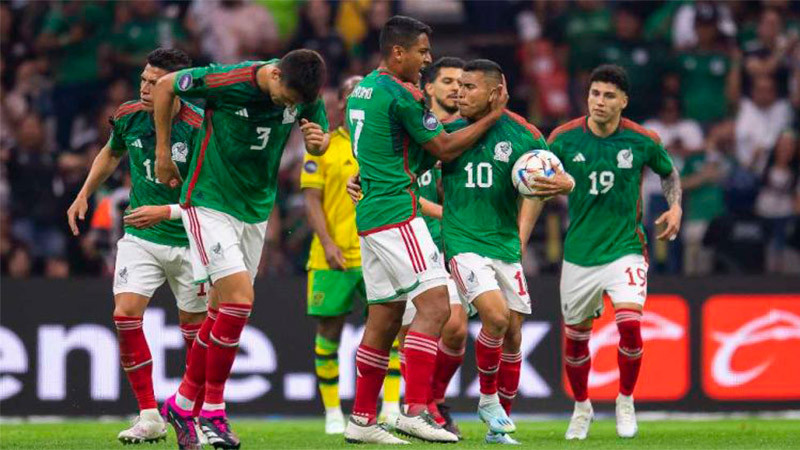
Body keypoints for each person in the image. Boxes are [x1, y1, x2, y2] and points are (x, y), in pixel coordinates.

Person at [343, 15, 507, 444]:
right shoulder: (402, 96)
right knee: (437, 306)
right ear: (398, 52)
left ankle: (361, 420)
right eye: (421, 52)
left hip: (371, 216)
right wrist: (493, 118)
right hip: (398, 212)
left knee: (384, 317)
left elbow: (396, 151)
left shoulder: (361, 90)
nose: (426, 60)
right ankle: (415, 410)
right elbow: (445, 148)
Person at [153, 49, 329, 450]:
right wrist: (164, 152)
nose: (292, 106)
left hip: (255, 210)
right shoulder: (228, 81)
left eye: (299, 103)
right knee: (239, 302)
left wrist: (319, 141)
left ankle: (182, 403)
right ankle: (213, 411)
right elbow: (166, 87)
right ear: (276, 74)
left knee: (222, 312)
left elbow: (320, 139)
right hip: (209, 199)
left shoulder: (304, 92)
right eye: (288, 97)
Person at [65, 48, 207, 445]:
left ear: (176, 87)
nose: (145, 88)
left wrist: (165, 210)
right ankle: (149, 415)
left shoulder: (197, 127)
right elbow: (111, 153)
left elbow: (212, 196)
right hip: (141, 238)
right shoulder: (128, 115)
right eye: (143, 79)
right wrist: (84, 194)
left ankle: (188, 412)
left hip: (189, 241)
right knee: (125, 315)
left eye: (154, 82)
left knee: (195, 336)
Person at [542, 65, 682, 440]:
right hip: (579, 252)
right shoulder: (563, 138)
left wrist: (675, 207)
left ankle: (625, 400)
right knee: (576, 340)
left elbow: (668, 174)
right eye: (594, 94)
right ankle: (582, 406)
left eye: (607, 96)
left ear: (623, 101)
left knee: (631, 327)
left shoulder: (641, 140)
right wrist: (543, 185)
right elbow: (535, 172)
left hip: (626, 249)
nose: (599, 102)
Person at [442, 59, 572, 445]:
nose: (459, 93)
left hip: (504, 244)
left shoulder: (525, 135)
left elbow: (549, 177)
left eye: (469, 88)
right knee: (496, 318)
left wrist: (565, 183)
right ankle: (486, 400)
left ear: (496, 93)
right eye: (458, 87)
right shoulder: (446, 132)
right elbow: (409, 167)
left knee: (514, 334)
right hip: (464, 242)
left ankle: (500, 429)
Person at [396, 56, 467, 438]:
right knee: (417, 328)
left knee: (456, 330)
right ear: (430, 88)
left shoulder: (466, 133)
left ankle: (433, 400)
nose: (457, 88)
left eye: (462, 82)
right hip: (413, 237)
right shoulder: (413, 128)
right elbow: (402, 187)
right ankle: (419, 406)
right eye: (449, 81)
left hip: (452, 241)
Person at [300, 75, 368, 434]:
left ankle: (386, 408)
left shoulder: (381, 143)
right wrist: (327, 243)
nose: (357, 98)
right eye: (351, 93)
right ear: (341, 104)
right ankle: (331, 412)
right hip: (334, 255)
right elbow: (311, 199)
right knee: (329, 330)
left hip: (376, 254)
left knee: (388, 331)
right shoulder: (323, 146)